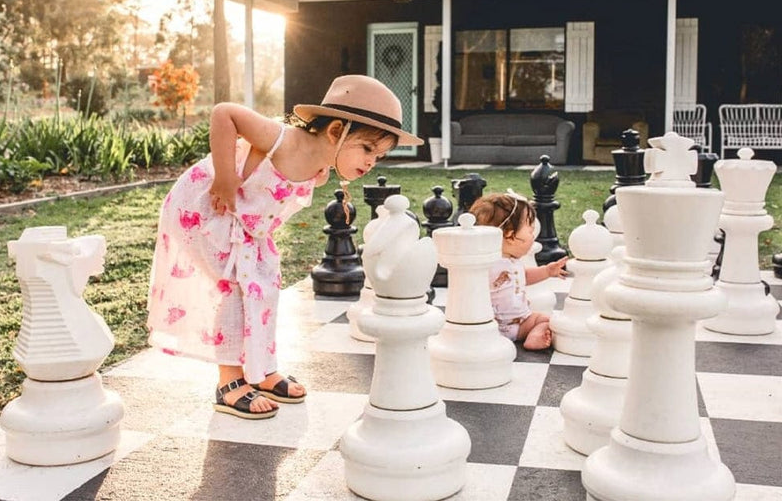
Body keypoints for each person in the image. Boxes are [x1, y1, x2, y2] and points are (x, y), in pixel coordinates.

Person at [147, 75, 422, 420]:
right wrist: (225, 176)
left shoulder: (320, 169)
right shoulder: (280, 139)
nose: (371, 162)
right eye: (367, 149)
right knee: (235, 289)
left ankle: (260, 370)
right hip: (205, 211)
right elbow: (224, 113)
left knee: (265, 289)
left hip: (244, 230)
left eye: (379, 156)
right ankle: (229, 382)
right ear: (336, 131)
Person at [469, 190, 568, 350]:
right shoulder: (486, 264)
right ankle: (528, 336)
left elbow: (525, 276)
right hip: (489, 325)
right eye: (530, 231)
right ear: (510, 235)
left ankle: (534, 335)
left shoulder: (514, 262)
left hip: (521, 322)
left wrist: (547, 271)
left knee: (544, 319)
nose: (533, 236)